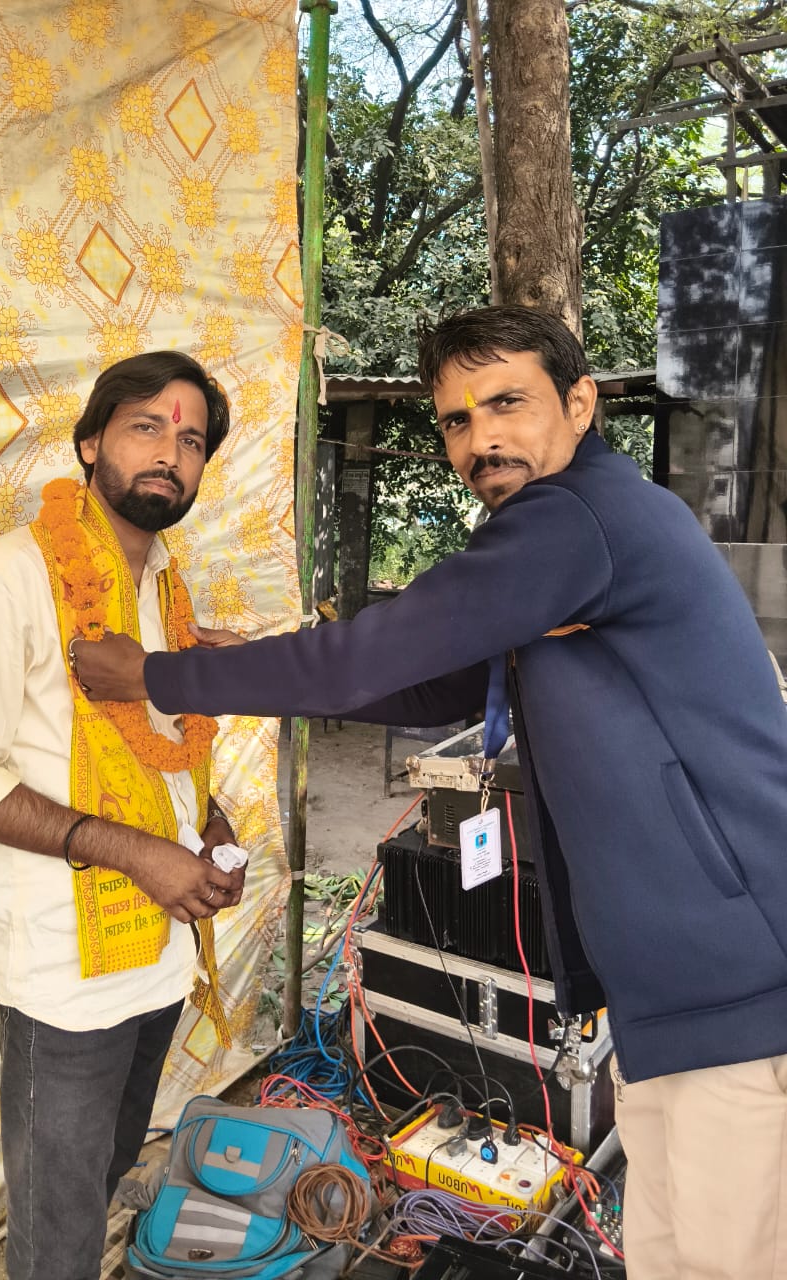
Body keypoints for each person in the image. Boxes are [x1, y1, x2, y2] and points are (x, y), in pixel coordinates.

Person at [73, 306, 787, 1280]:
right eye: (456, 418)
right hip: (682, 989)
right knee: (671, 1253)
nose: (480, 437)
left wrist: (155, 675)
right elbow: (433, 683)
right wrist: (241, 664)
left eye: (507, 403)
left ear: (580, 403)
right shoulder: (580, 532)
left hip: (738, 988)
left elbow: (366, 658)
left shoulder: (575, 519)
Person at [0, 351, 246, 1280]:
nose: (171, 454)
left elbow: (155, 753)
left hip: (162, 955)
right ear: (91, 442)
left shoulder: (167, 590)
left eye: (192, 442)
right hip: (65, 978)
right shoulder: (3, 579)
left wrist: (208, 821)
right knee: (57, 1238)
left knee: (101, 1180)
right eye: (147, 427)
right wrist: (137, 852)